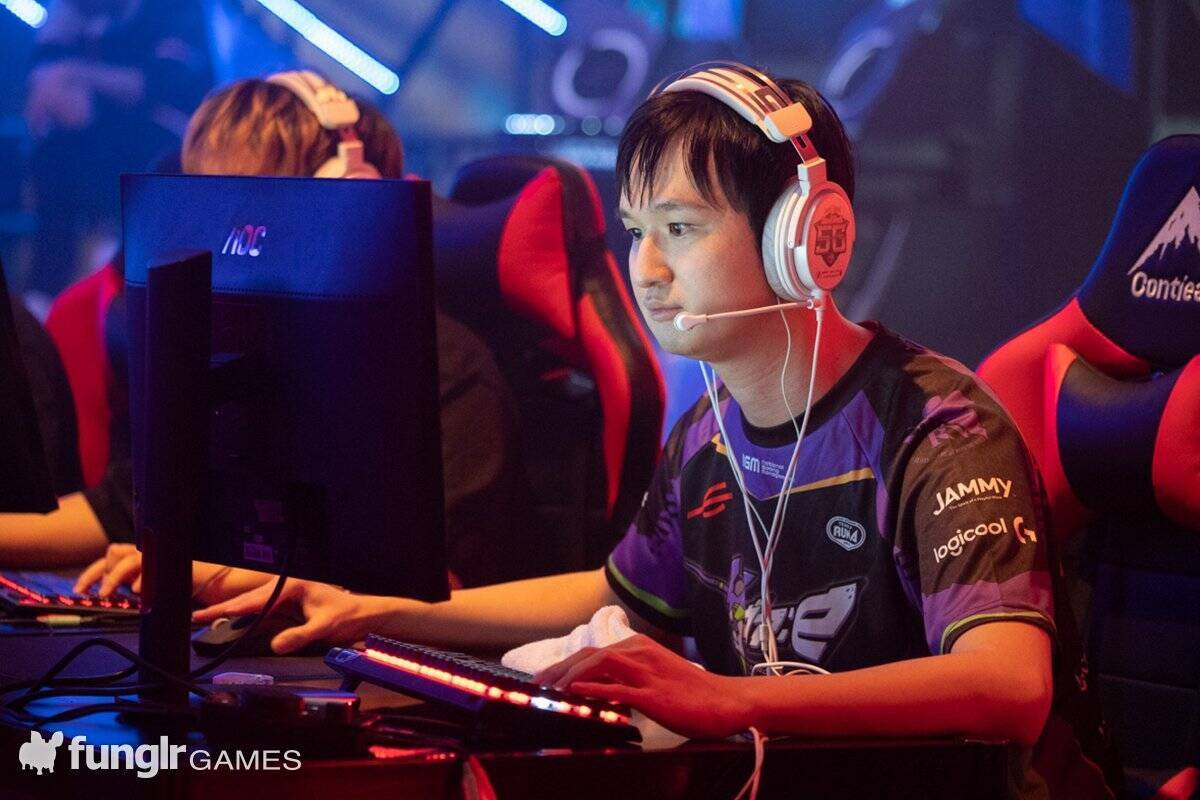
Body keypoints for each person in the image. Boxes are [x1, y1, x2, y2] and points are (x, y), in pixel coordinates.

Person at [193, 63, 1119, 798]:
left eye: (679, 228)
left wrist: (723, 700)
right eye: (637, 230)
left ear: (804, 239)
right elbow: (618, 592)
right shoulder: (710, 433)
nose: (645, 269)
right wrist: (374, 611)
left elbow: (1009, 687)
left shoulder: (939, 427)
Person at [2, 74, 536, 591]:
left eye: (251, 212)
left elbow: (433, 590)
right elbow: (117, 512)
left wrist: (204, 578)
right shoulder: (222, 358)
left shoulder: (449, 373)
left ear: (350, 193)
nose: (229, 239)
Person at [24, 0, 212, 297]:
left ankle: (110, 272)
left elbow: (158, 85)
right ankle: (47, 290)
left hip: (168, 152)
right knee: (54, 151)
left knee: (101, 150)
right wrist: (54, 45)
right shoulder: (81, 17)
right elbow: (56, 94)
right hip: (95, 151)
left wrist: (73, 71)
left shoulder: (175, 11)